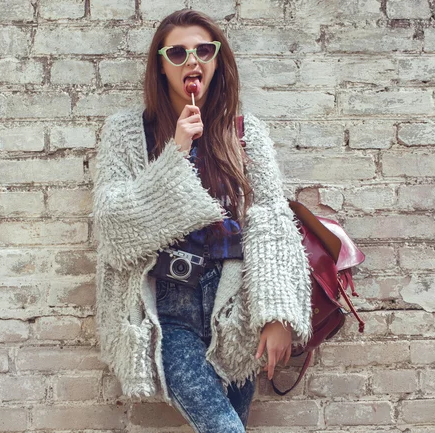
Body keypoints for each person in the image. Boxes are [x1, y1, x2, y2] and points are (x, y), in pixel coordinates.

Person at [93, 9, 312, 433]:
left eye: (203, 50)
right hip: (168, 307)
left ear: (216, 60)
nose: (191, 61)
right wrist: (175, 152)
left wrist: (276, 315)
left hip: (236, 307)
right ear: (161, 65)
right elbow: (115, 228)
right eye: (177, 52)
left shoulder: (245, 133)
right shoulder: (126, 132)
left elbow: (271, 221)